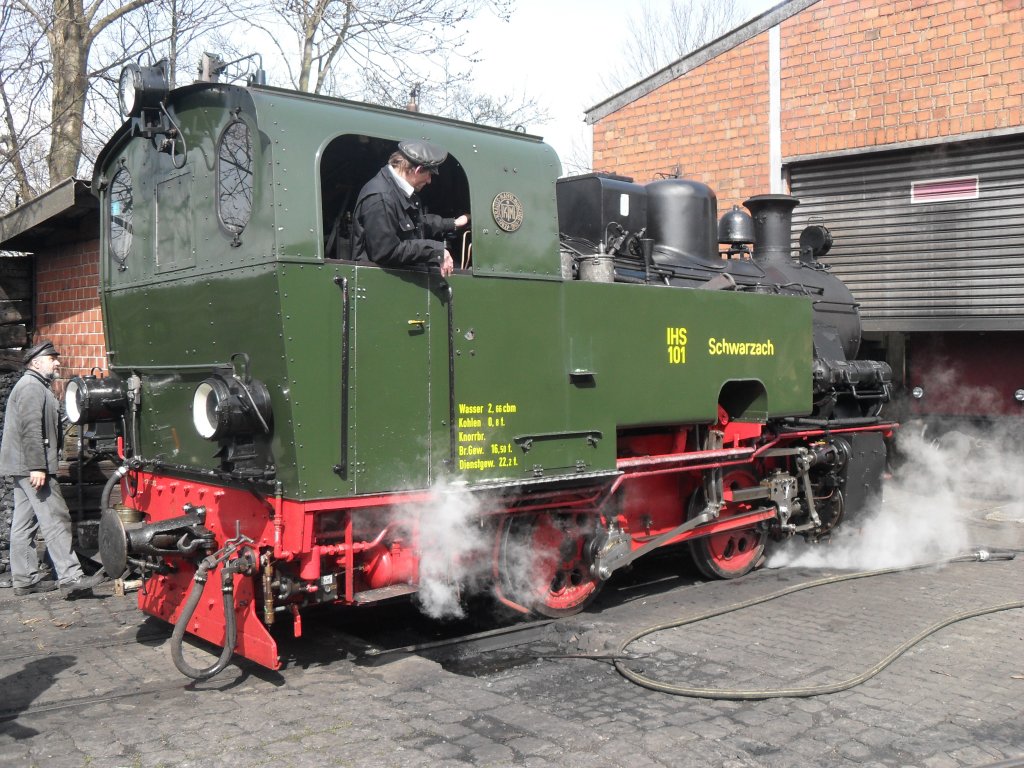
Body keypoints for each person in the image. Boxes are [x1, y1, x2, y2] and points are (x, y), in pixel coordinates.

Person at [0, 341, 105, 598]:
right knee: (56, 518)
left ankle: (25, 579)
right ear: (36, 363)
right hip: (33, 467)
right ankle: (71, 577)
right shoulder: (31, 387)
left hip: (24, 466)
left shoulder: (34, 385)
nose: (57, 363)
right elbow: (31, 430)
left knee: (24, 524)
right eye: (52, 359)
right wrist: (37, 467)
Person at [351, 140, 469, 277]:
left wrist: (453, 223)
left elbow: (415, 223)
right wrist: (436, 251)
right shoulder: (381, 198)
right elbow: (386, 252)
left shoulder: (396, 189)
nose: (429, 181)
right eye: (429, 174)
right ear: (417, 170)